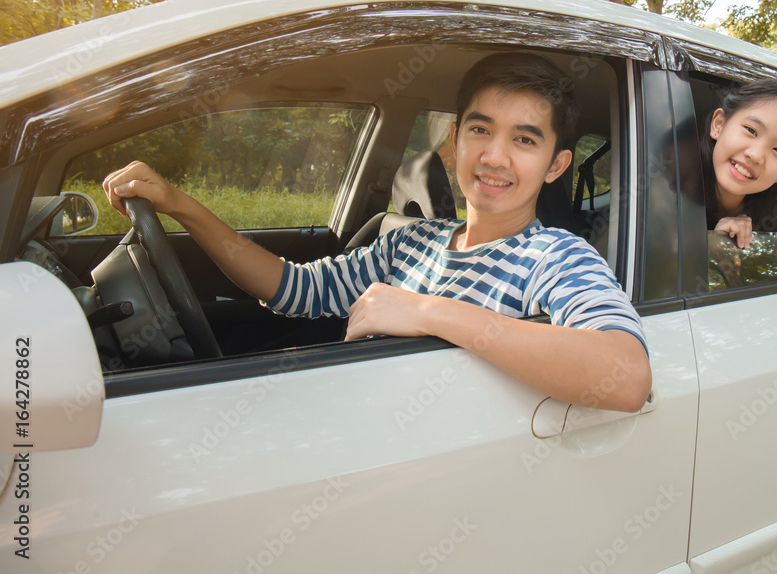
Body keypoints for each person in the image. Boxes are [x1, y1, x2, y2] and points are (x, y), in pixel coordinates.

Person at [103, 53, 652, 413]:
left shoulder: (553, 256)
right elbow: (289, 288)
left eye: (524, 141)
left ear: (555, 167)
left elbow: (626, 376)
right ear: (456, 139)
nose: (494, 156)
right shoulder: (411, 242)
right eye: (481, 130)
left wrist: (428, 312)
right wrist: (178, 204)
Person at [702, 77, 777, 248]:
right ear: (719, 124)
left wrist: (721, 248)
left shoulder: (768, 233)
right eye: (751, 130)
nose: (756, 155)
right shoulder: (660, 191)